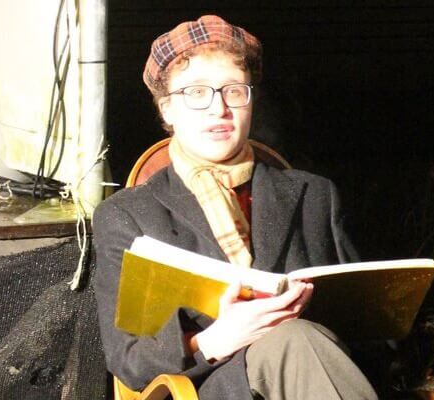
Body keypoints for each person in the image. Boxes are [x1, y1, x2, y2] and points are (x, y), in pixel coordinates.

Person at [92, 15, 378, 399]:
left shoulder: (314, 195)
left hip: (313, 377)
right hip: (210, 389)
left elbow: (364, 327)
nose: (219, 109)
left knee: (297, 337)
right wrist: (216, 340)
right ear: (167, 110)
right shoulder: (128, 215)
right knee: (292, 339)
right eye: (196, 92)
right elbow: (129, 359)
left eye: (233, 90)